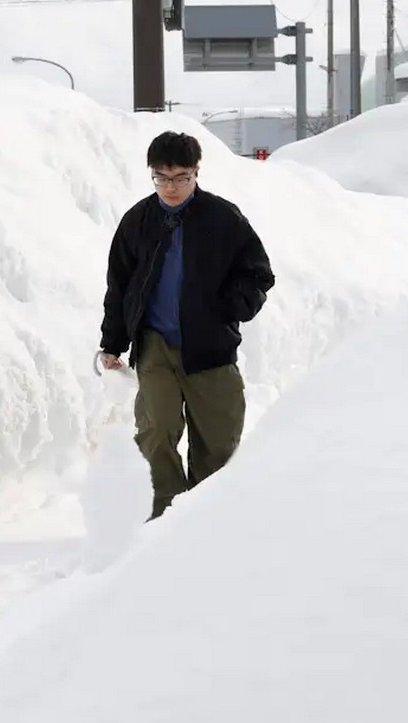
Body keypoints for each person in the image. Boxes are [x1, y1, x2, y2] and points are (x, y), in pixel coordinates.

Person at [98, 131, 275, 520]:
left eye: (181, 177)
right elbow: (120, 285)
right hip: (154, 343)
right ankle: (164, 518)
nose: (171, 187)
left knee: (218, 441)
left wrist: (226, 308)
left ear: (196, 173)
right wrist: (112, 342)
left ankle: (208, 520)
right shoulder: (138, 221)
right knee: (155, 431)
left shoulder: (222, 218)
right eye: (161, 177)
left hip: (210, 346)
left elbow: (258, 274)